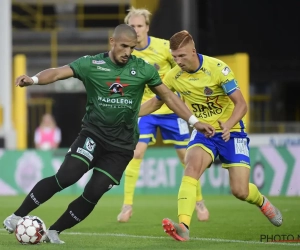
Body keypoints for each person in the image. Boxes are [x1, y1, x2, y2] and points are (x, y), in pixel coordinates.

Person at [3, 24, 215, 244]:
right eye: (123, 46)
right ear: (112, 42)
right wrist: (34, 80)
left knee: (94, 192)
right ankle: (16, 216)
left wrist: (194, 122)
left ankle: (55, 231)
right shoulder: (91, 64)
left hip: (122, 148)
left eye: (132, 48)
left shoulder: (143, 69)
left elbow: (169, 98)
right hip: (93, 136)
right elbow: (57, 72)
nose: (127, 52)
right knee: (66, 177)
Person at [139, 30, 283, 241]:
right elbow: (155, 102)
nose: (177, 61)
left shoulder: (218, 69)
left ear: (193, 51)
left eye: (182, 56)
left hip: (232, 132)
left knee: (240, 191)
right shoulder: (173, 76)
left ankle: (262, 202)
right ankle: (184, 226)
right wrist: (130, 111)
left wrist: (229, 125)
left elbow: (241, 104)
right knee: (191, 168)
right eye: (174, 56)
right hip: (204, 132)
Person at [117, 7, 209, 223]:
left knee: (186, 157)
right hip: (146, 109)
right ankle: (127, 205)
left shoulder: (164, 47)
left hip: (170, 108)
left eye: (140, 26)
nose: (136, 30)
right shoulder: (125, 53)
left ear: (147, 27)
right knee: (136, 152)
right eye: (132, 26)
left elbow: (182, 65)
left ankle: (199, 200)